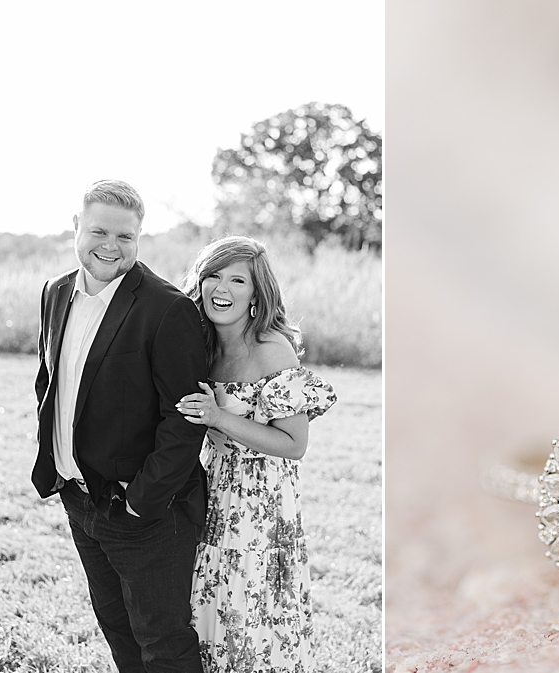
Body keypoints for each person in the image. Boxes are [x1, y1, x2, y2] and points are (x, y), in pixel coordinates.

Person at [31, 180, 208, 673]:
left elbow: (184, 417)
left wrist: (140, 500)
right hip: (80, 498)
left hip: (145, 514)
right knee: (116, 627)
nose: (110, 246)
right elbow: (49, 378)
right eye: (99, 231)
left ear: (139, 237)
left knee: (163, 642)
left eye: (125, 237)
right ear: (76, 228)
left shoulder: (167, 309)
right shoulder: (55, 291)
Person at [176, 235, 336, 673]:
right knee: (212, 607)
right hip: (216, 492)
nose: (221, 289)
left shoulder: (271, 349)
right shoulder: (203, 348)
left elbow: (293, 444)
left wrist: (218, 418)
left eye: (237, 279)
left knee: (251, 613)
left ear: (256, 293)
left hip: (262, 503)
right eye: (213, 276)